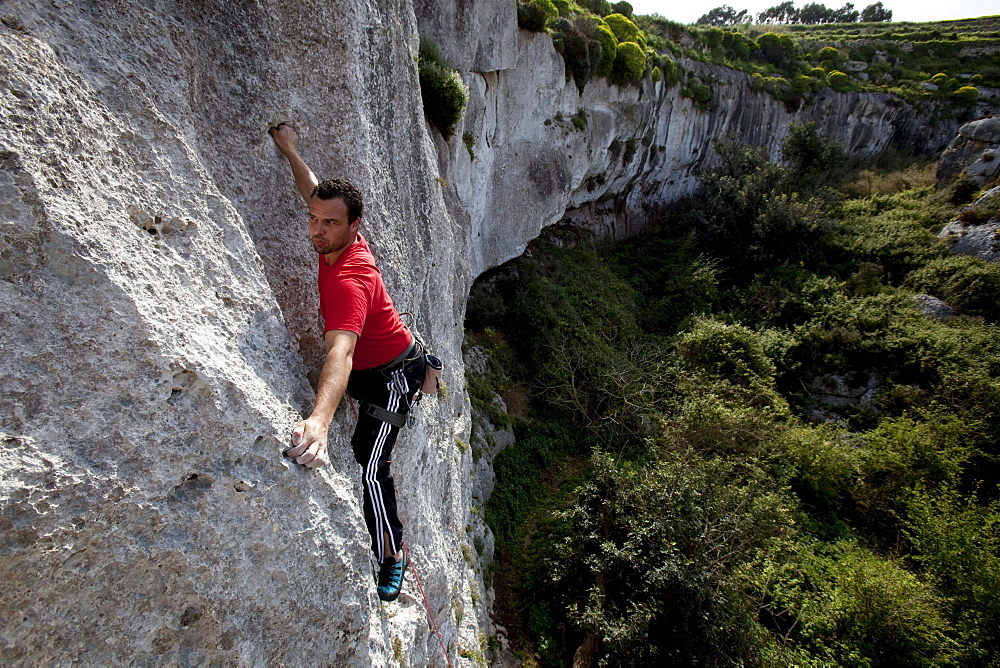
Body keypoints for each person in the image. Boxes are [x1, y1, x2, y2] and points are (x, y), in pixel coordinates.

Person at [269, 123, 426, 603]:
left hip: (392, 376)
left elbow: (341, 351)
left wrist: (318, 422)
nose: (317, 229)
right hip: (370, 366)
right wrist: (291, 149)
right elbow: (315, 191)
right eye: (313, 220)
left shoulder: (348, 280)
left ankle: (392, 551)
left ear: (353, 226)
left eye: (329, 224)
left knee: (370, 461)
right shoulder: (337, 232)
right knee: (363, 443)